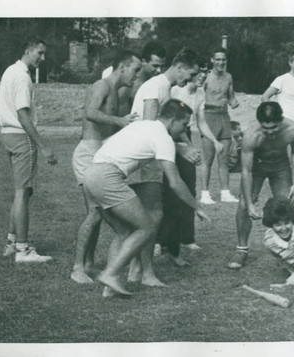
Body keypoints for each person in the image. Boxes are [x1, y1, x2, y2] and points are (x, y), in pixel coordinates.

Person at [83, 99, 210, 297]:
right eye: (184, 125)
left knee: (124, 231)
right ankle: (111, 274)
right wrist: (197, 207)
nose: (184, 131)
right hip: (106, 177)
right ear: (173, 120)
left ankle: (109, 289)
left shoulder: (143, 124)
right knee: (147, 227)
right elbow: (175, 182)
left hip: (91, 173)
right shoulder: (163, 138)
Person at [122, 48, 202, 286]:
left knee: (153, 214)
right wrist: (181, 148)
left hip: (149, 157)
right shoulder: (156, 86)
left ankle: (139, 270)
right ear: (179, 67)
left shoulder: (164, 87)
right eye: (190, 73)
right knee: (151, 215)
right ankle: (139, 271)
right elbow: (150, 130)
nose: (191, 80)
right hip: (144, 157)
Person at [70, 51, 142, 284]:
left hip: (99, 152)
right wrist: (119, 121)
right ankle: (77, 269)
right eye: (135, 70)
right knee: (95, 212)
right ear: (122, 67)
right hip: (87, 152)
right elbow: (90, 113)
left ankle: (88, 263)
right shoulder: (101, 85)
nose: (136, 75)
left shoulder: (118, 93)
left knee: (98, 213)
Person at [156, 60, 223, 266]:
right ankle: (160, 241)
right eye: (197, 73)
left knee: (188, 188)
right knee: (168, 191)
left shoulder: (201, 94)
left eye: (204, 72)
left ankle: (187, 238)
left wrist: (214, 141)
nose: (200, 76)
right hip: (171, 139)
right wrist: (186, 146)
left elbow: (200, 122)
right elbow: (171, 121)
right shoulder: (175, 89)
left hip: (186, 138)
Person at [0, 37, 58, 263]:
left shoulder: (9, 71)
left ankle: (12, 243)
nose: (42, 58)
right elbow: (22, 114)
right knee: (23, 192)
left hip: (7, 135)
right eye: (39, 53)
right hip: (20, 137)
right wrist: (43, 146)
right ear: (28, 50)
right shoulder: (22, 76)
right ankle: (22, 250)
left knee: (21, 191)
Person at [228, 102, 294, 269]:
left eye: (274, 127)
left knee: (286, 206)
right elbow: (246, 171)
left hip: (281, 166)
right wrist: (249, 203)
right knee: (242, 206)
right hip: (257, 167)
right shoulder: (251, 135)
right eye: (265, 128)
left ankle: (290, 250)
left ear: (281, 119)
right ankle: (242, 250)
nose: (269, 132)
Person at [261, 50, 294, 200]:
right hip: (285, 126)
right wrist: (275, 117)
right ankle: (283, 186)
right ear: (290, 63)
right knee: (281, 157)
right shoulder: (282, 79)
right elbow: (265, 97)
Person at [200, 47, 240, 204]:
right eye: (217, 59)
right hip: (209, 117)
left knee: (224, 158)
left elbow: (231, 97)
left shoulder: (228, 77)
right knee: (208, 159)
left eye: (223, 59)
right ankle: (204, 194)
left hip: (224, 117)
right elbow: (198, 97)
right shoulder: (206, 78)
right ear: (212, 60)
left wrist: (234, 102)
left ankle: (225, 193)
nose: (220, 62)